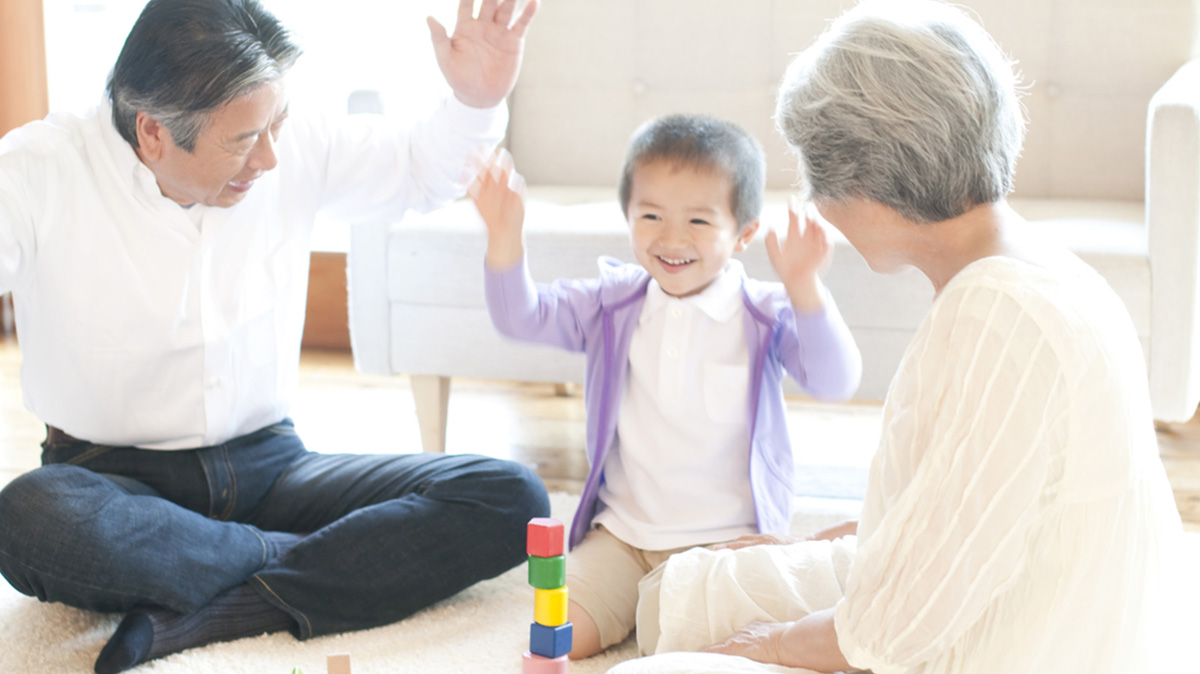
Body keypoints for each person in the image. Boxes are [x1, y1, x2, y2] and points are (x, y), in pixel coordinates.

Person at [608, 2, 1187, 673]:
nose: (817, 207)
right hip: (1021, 586)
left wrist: (762, 644)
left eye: (817, 182)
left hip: (1019, 640)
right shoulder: (1038, 268)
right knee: (686, 591)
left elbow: (893, 629)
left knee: (660, 660)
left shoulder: (994, 316)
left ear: (863, 180)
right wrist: (804, 547)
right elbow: (973, 507)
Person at [0, 1, 550, 672]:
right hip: (108, 480)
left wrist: (475, 99)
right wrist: (363, 550)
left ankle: (221, 601)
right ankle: (309, 561)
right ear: (152, 133)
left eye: (277, 125)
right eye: (241, 141)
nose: (269, 156)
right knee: (28, 519)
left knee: (508, 496)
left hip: (273, 470)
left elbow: (418, 170)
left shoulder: (283, 139)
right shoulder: (38, 169)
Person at [470, 114, 863, 659]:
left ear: (744, 234)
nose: (672, 238)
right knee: (556, 637)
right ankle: (639, 605)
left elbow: (836, 379)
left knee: (698, 649)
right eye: (650, 215)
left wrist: (805, 287)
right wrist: (504, 236)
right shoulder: (612, 303)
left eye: (699, 222)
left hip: (721, 547)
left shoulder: (763, 313)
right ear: (628, 216)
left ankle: (664, 609)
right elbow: (522, 318)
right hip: (622, 539)